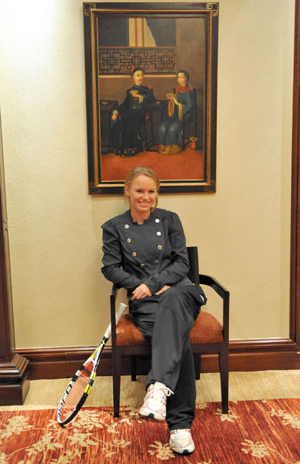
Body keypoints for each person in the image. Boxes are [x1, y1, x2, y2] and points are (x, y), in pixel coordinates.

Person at [101, 166, 206, 455]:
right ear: (127, 191)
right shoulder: (114, 227)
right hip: (146, 302)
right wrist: (143, 286)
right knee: (178, 339)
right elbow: (109, 267)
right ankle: (180, 427)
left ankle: (158, 388)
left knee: (173, 300)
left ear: (156, 193)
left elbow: (182, 263)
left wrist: (158, 283)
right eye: (139, 191)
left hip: (181, 293)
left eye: (151, 191)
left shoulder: (170, 220)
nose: (145, 197)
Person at [109, 67, 155, 157]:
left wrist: (139, 96)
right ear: (133, 77)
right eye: (138, 75)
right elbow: (125, 105)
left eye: (142, 75)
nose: (140, 77)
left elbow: (152, 100)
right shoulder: (129, 91)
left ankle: (132, 148)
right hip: (130, 115)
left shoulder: (146, 90)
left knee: (130, 124)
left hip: (141, 114)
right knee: (119, 124)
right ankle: (119, 148)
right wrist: (116, 112)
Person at [157, 70, 194, 155]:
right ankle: (162, 146)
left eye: (182, 77)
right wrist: (172, 102)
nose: (180, 80)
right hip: (176, 114)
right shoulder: (177, 90)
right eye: (178, 77)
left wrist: (176, 103)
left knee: (173, 127)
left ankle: (171, 147)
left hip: (186, 115)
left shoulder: (190, 91)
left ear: (186, 78)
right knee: (162, 125)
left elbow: (190, 107)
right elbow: (175, 106)